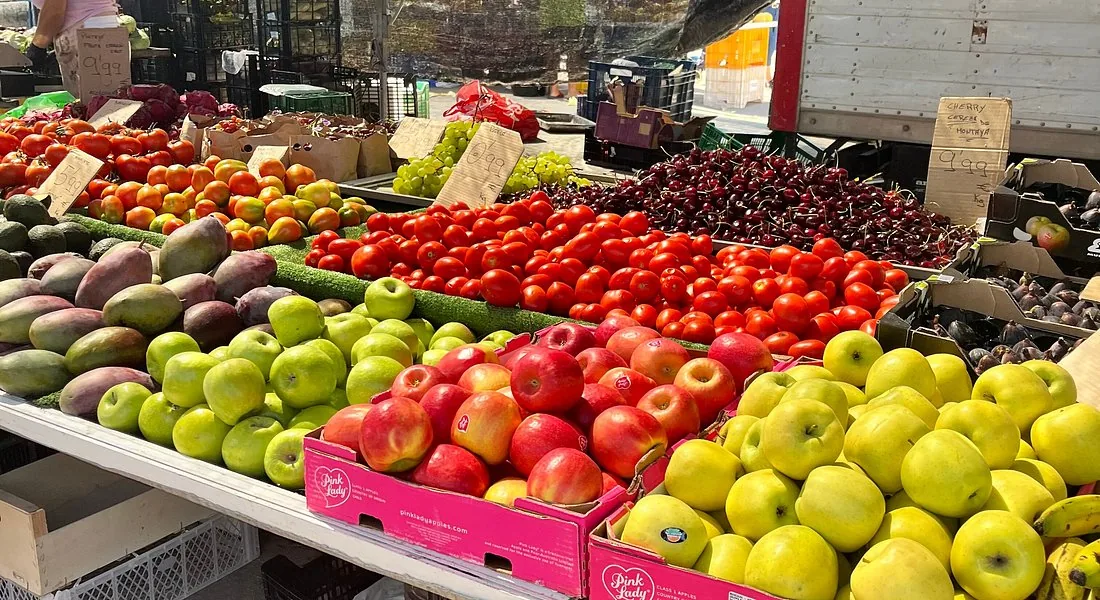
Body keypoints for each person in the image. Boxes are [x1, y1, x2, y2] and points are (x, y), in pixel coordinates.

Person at [26, 0, 126, 97]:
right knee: (102, 101)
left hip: (87, 33)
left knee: (93, 102)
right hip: (101, 27)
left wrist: (37, 47)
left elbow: (55, 10)